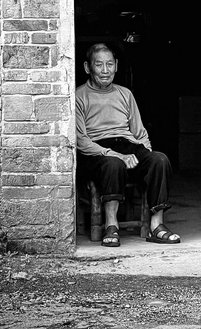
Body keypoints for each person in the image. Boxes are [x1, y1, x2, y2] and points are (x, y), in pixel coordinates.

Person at [76, 42, 180, 247]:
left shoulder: (125, 94)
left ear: (116, 65)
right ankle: (111, 225)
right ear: (88, 67)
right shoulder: (79, 96)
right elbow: (81, 140)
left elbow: (139, 133)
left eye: (109, 64)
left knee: (159, 160)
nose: (105, 70)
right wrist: (115, 155)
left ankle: (156, 226)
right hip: (98, 151)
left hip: (128, 145)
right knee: (113, 164)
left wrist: (145, 155)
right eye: (98, 65)